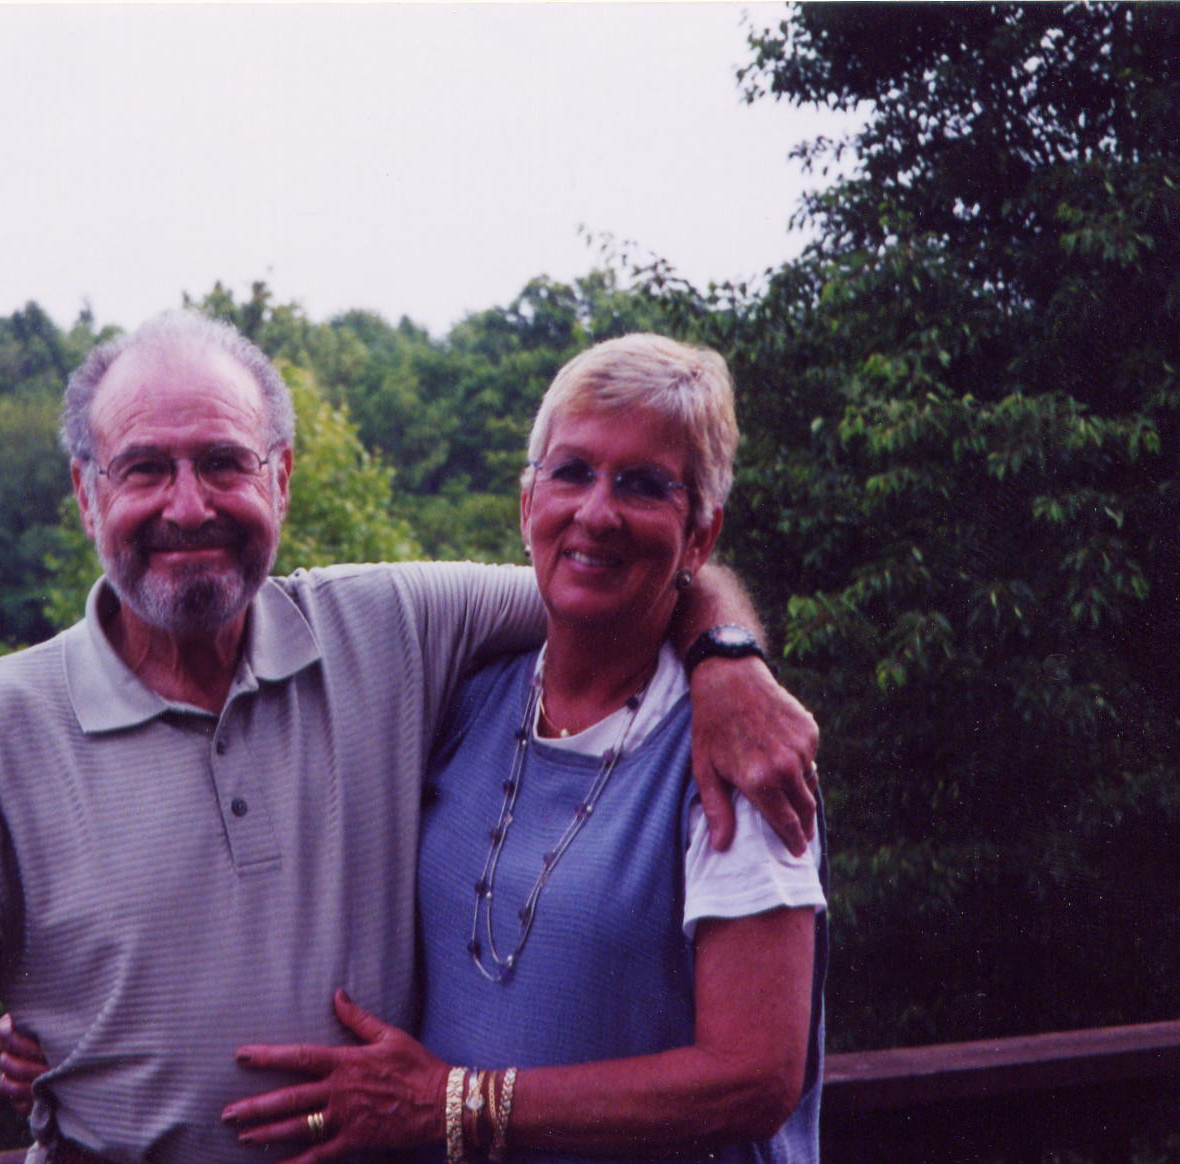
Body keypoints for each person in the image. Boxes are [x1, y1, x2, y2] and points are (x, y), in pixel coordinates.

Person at [0, 313, 816, 1164]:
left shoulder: (393, 632)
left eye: (223, 463)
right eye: (145, 470)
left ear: (283, 478)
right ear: (86, 495)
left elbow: (610, 569)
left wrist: (728, 656)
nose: (188, 507)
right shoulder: (4, 723)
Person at [207, 334, 825, 1163]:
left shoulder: (733, 754)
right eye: (572, 472)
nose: (597, 513)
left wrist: (452, 1104)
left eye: (644, 486)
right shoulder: (468, 698)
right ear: (527, 500)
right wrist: (87, 1027)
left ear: (700, 536)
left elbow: (754, 1077)